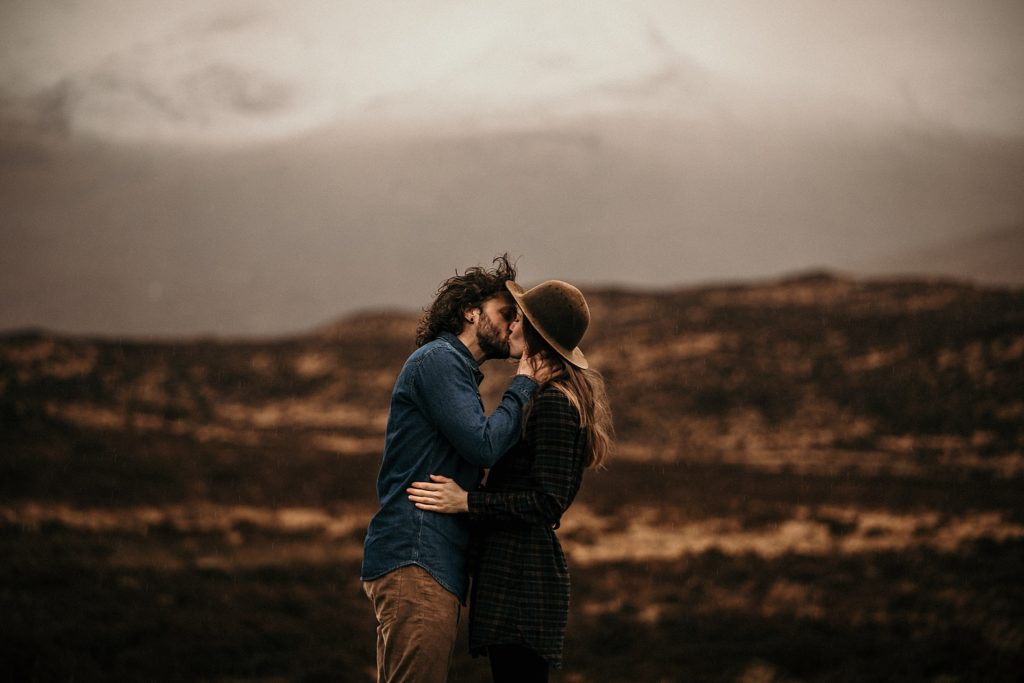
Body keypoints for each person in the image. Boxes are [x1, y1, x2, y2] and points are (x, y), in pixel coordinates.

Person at [407, 279, 613, 682]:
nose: (511, 326)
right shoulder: (545, 396)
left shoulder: (553, 403)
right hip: (514, 575)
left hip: (523, 581)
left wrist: (466, 502)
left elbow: (547, 502)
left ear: (534, 332)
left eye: (519, 319)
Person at [360, 254, 552, 683]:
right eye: (506, 313)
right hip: (418, 556)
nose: (514, 326)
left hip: (426, 558)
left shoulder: (455, 370)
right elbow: (484, 445)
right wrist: (525, 382)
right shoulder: (439, 361)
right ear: (471, 311)